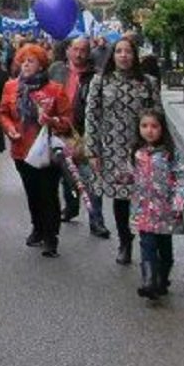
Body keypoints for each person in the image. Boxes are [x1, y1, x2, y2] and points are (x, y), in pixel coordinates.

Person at [84, 34, 158, 266]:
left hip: (143, 148)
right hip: (112, 149)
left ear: (135, 55)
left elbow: (158, 117)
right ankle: (125, 242)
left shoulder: (148, 82)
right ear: (112, 55)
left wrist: (160, 150)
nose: (123, 56)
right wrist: (92, 151)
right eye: (119, 51)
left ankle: (151, 247)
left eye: (128, 51)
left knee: (147, 197)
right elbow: (92, 117)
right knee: (121, 199)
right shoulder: (100, 81)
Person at [0, 43, 72, 258]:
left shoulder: (54, 89)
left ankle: (51, 236)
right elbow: (2, 113)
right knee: (32, 192)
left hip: (47, 151)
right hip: (22, 149)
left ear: (41, 66)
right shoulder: (11, 87)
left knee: (48, 193)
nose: (26, 64)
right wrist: (9, 129)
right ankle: (37, 227)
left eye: (31, 61)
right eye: (23, 60)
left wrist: (52, 120)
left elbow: (68, 120)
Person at [130, 109, 184, 300]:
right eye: (144, 126)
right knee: (146, 243)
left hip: (166, 211)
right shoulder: (137, 153)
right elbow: (131, 176)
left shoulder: (170, 154)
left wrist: (179, 201)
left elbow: (183, 178)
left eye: (154, 126)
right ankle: (148, 280)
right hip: (144, 210)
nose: (149, 130)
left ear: (162, 129)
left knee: (164, 247)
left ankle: (162, 279)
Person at [57, 37, 105, 234]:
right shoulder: (56, 71)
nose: (79, 54)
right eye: (75, 49)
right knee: (67, 176)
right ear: (68, 50)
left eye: (83, 50)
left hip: (86, 133)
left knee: (91, 178)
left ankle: (97, 221)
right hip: (61, 131)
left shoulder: (95, 76)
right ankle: (71, 207)